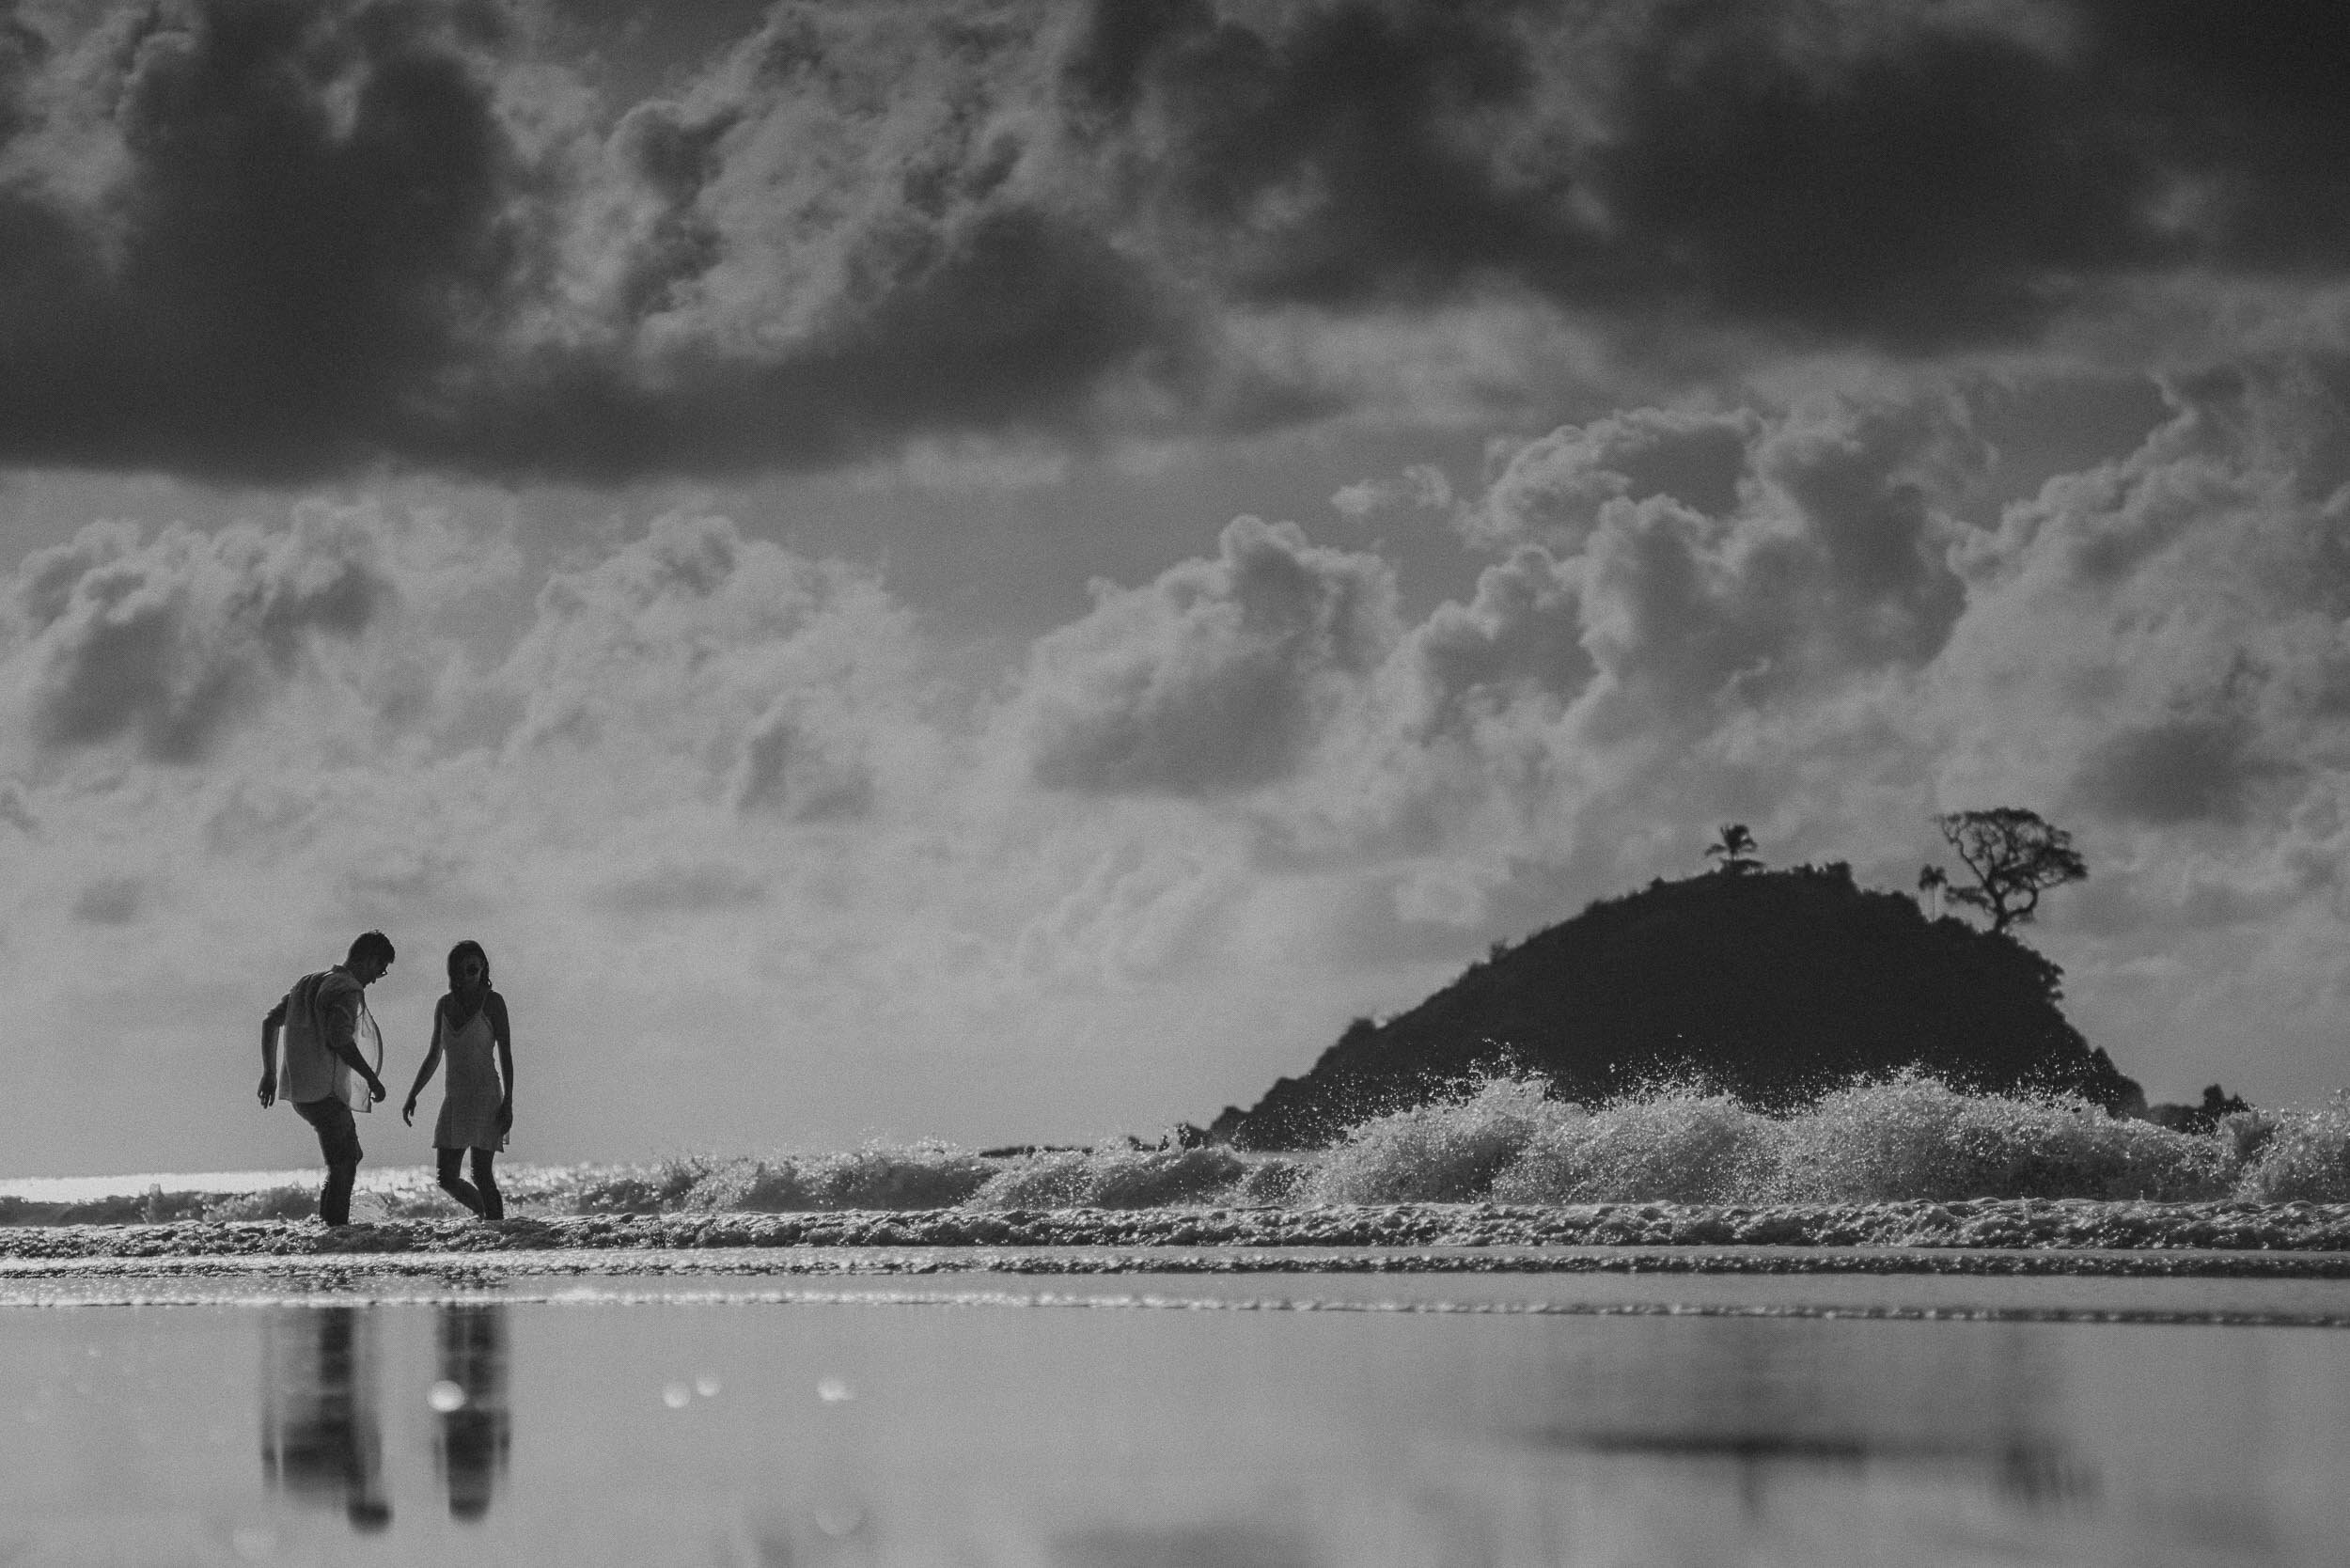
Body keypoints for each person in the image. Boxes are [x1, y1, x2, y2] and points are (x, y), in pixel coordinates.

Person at [259, 932, 394, 1228]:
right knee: (344, 1164)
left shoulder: (307, 983)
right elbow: (339, 1038)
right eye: (379, 969)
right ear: (369, 959)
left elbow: (271, 1022)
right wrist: (372, 1079)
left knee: (348, 1157)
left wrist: (269, 1073)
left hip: (300, 1092)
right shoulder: (347, 990)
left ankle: (326, 1227)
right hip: (326, 1092)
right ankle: (335, 1231)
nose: (375, 978)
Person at [403, 939, 513, 1221]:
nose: (469, 976)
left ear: (483, 969)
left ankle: (497, 1232)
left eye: (474, 969)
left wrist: (508, 1102)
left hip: (486, 1096)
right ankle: (484, 1216)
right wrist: (413, 1093)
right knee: (446, 1177)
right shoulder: (444, 1005)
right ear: (454, 973)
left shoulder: (494, 1003)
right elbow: (433, 1056)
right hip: (455, 1099)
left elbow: (506, 1053)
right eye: (462, 971)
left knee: (481, 1173)